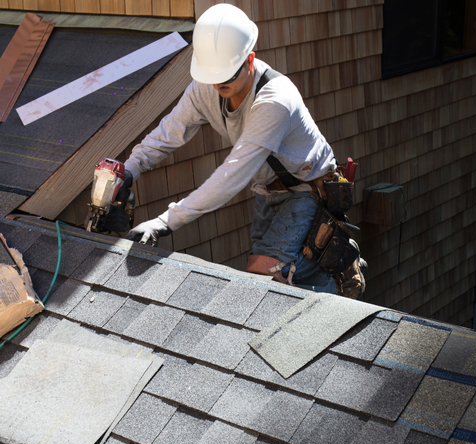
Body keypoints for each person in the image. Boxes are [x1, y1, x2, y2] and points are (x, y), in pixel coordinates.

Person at [124, 3, 366, 299]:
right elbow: (169, 132)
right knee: (268, 283)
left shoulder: (274, 101)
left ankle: (337, 280)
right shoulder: (207, 86)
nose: (218, 84)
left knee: (264, 270)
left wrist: (165, 222)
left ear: (250, 60)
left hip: (308, 192)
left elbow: (232, 175)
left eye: (226, 76)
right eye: (213, 76)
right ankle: (321, 267)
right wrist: (127, 171)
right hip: (267, 192)